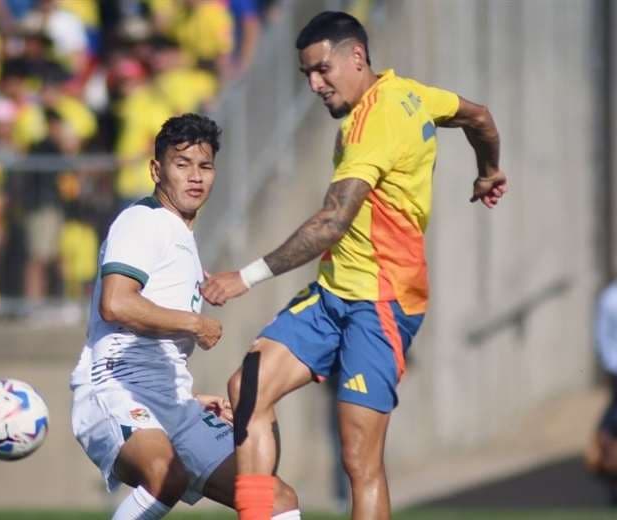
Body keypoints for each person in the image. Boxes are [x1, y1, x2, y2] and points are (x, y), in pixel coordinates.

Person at [201, 11, 507, 520]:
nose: (316, 85)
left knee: (360, 462)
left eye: (322, 70)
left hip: (382, 303)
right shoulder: (411, 93)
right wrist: (489, 170)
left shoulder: (376, 122)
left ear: (357, 56)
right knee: (246, 387)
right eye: (307, 76)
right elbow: (478, 116)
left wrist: (245, 276)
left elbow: (331, 222)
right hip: (333, 294)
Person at [69, 113, 300, 519]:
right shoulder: (143, 221)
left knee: (273, 498)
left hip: (172, 401)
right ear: (157, 170)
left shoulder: (181, 236)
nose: (195, 176)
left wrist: (190, 398)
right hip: (115, 388)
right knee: (165, 474)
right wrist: (195, 322)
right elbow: (117, 303)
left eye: (205, 166)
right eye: (182, 164)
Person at [585, 281, 617, 505]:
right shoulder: (610, 298)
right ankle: (601, 445)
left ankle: (602, 442)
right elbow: (603, 335)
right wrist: (608, 365)